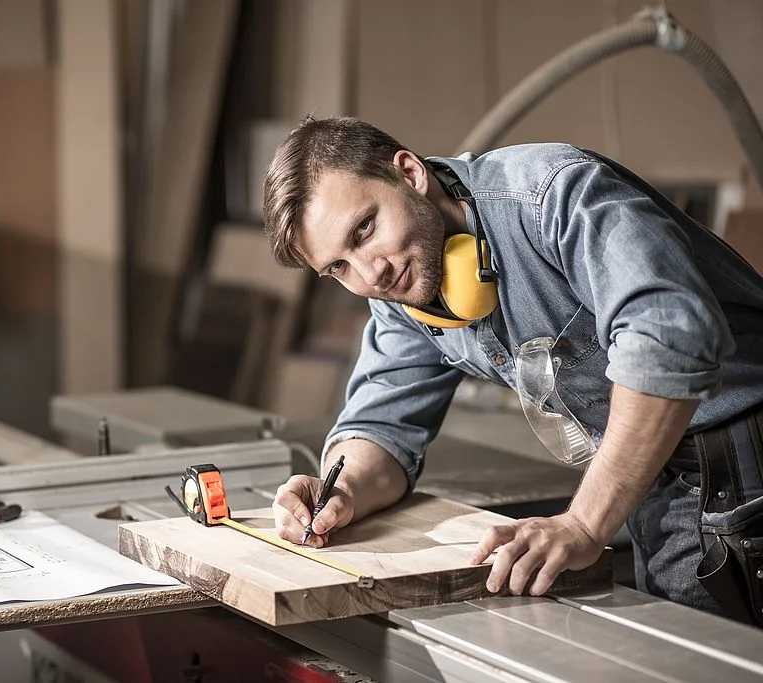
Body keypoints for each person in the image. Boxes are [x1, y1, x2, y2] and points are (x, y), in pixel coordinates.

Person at [261, 115, 763, 625]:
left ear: (409, 173)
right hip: (654, 472)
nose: (371, 273)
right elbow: (381, 425)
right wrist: (342, 490)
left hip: (743, 451)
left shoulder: (552, 194)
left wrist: (584, 523)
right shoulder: (401, 287)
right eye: (338, 267)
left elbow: (668, 337)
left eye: (365, 229)